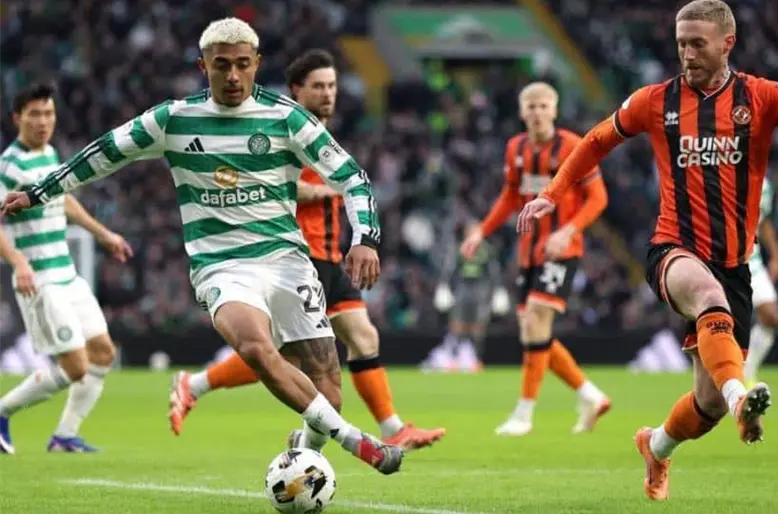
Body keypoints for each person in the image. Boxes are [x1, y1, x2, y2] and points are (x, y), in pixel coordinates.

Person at [1, 18, 404, 475]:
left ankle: (306, 456)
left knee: (328, 391)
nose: (232, 75)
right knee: (255, 346)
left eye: (242, 65)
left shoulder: (287, 118)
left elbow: (352, 177)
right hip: (221, 265)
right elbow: (104, 151)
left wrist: (366, 238)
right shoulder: (173, 119)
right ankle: (357, 442)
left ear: (257, 65)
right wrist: (40, 192)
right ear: (203, 66)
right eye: (221, 65)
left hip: (288, 263)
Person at [517, 0, 778, 500]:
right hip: (674, 249)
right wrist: (551, 194)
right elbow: (595, 141)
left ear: (727, 44)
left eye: (698, 44)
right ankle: (741, 400)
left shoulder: (760, 96)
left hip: (735, 264)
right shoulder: (655, 101)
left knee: (705, 405)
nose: (687, 54)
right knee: (706, 297)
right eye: (681, 44)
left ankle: (656, 445)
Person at [168, 49, 445, 451]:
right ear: (296, 90)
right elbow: (257, 182)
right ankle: (197, 386)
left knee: (362, 337)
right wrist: (319, 191)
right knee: (286, 357)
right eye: (318, 86)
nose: (327, 93)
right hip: (296, 256)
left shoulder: (324, 138)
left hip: (330, 255)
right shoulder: (280, 128)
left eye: (332, 86)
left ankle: (389, 429)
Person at [460, 81, 612, 437]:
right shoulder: (515, 148)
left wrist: (568, 231)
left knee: (535, 322)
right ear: (521, 111)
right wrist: (481, 231)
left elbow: (598, 198)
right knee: (534, 331)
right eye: (531, 106)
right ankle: (590, 395)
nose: (538, 112)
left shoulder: (573, 146)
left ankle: (523, 415)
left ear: (554, 110)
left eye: (544, 106)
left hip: (561, 249)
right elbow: (510, 196)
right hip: (528, 252)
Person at [0, 82, 132, 453]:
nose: (43, 121)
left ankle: (65, 436)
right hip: (40, 281)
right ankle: (2, 411)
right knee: (75, 366)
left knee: (103, 352)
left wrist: (103, 234)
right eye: (35, 114)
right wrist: (19, 262)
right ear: (17, 119)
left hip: (68, 275)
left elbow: (63, 199)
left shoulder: (50, 154)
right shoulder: (9, 165)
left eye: (48, 114)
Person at [427, 220, 507, 372]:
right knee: (457, 325)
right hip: (462, 289)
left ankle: (476, 359)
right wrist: (443, 286)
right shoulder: (459, 249)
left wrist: (499, 290)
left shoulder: (487, 250)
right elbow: (449, 270)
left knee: (478, 326)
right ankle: (454, 358)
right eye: (470, 230)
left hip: (480, 290)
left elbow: (494, 272)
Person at [743, 177, 778, 385]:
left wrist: (776, 255)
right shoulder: (719, 172)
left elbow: (763, 220)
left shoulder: (764, 184)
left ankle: (746, 372)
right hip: (721, 261)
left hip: (753, 261)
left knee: (771, 316)